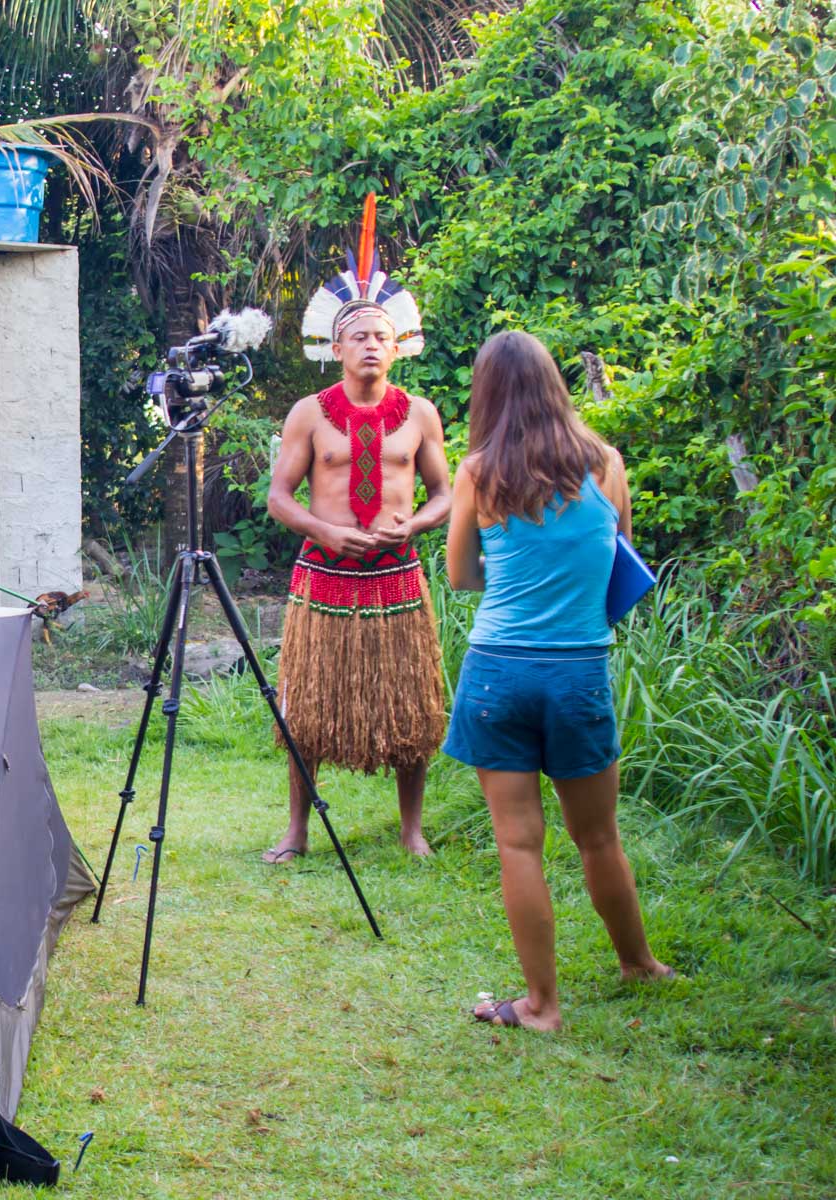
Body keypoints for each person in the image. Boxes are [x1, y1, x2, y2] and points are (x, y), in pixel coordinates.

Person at [444, 330, 673, 1031]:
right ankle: (639, 962)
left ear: (486, 393)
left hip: (498, 674)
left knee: (519, 842)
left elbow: (460, 578)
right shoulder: (606, 463)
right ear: (554, 384)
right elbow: (617, 557)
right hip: (579, 671)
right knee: (599, 838)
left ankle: (541, 1005)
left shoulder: (479, 471)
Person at [264, 196, 450, 863]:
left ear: (397, 346)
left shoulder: (421, 414)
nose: (371, 345)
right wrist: (325, 530)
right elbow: (279, 498)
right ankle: (297, 830)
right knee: (307, 710)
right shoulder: (309, 414)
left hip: (398, 577)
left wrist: (415, 527)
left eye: (381, 336)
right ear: (336, 347)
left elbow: (445, 495)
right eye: (360, 336)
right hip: (324, 577)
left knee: (411, 707)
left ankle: (411, 830)